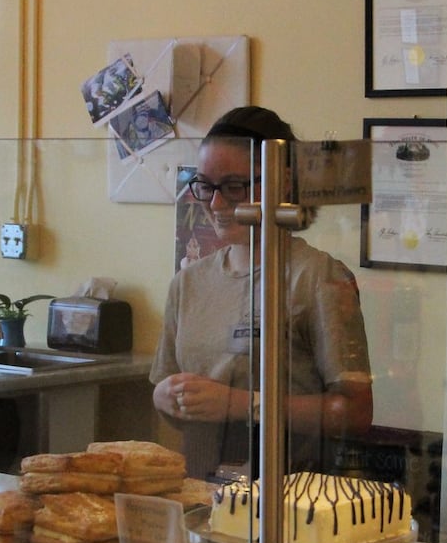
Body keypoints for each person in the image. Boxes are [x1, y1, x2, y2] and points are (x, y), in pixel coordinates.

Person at [151, 106, 374, 480]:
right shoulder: (189, 282)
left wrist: (242, 405)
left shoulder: (317, 276)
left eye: (235, 187)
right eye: (205, 186)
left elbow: (354, 414)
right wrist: (164, 398)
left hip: (288, 498)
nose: (216, 204)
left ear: (281, 182)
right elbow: (168, 395)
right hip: (202, 493)